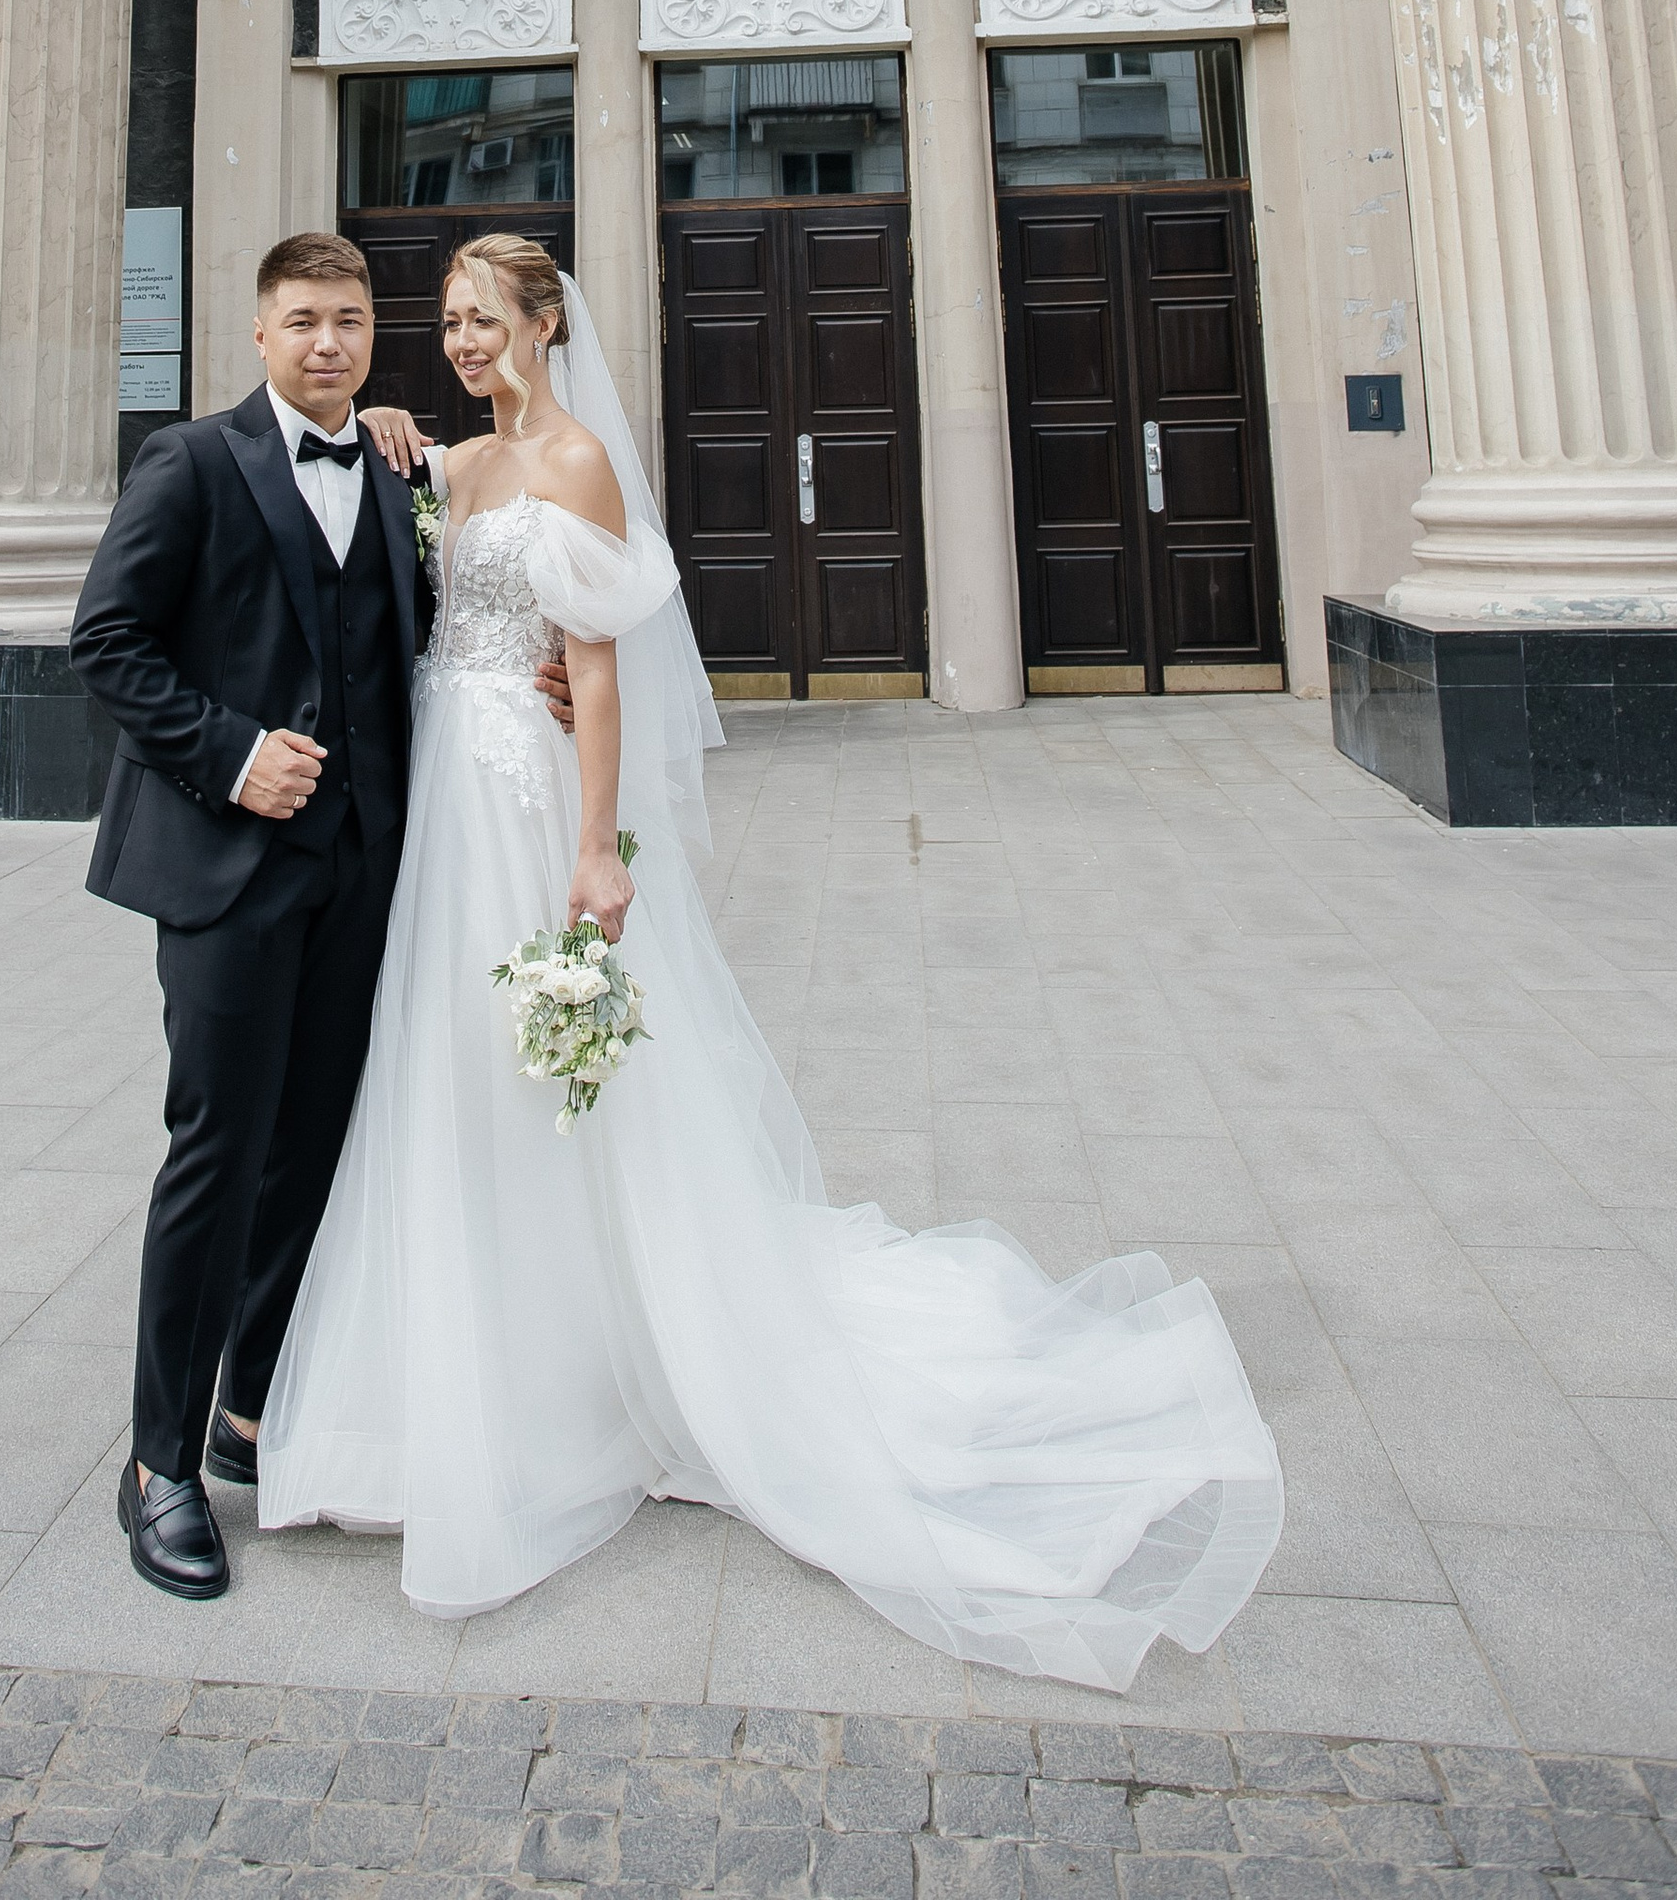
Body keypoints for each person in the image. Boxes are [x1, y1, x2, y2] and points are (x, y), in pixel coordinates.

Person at [256, 234, 1286, 1690]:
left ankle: (606, 1371)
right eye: (450, 322)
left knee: (562, 1086)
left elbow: (598, 668)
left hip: (531, 803)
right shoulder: (445, 466)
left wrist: (598, 849)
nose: (464, 341)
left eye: (486, 319)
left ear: (550, 323)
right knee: (450, 1076)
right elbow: (429, 612)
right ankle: (470, 1367)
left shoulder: (575, 467)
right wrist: (383, 433)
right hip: (446, 798)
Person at [69, 231, 447, 1602]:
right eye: (303, 322)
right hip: (227, 871)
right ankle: (156, 1463)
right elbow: (107, 640)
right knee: (217, 1150)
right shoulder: (192, 463)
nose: (330, 343)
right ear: (259, 332)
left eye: (349, 322)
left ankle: (248, 1404)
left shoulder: (399, 468)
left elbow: (427, 643)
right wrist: (230, 751)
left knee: (314, 1146)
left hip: (362, 868)